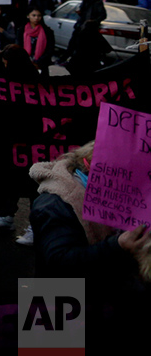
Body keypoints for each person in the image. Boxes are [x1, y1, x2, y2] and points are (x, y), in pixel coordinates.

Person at [28, 141, 151, 350]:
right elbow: (57, 263)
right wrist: (117, 246)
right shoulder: (55, 203)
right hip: (59, 313)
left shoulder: (108, 193)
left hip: (102, 302)